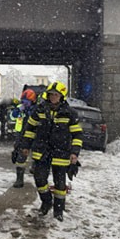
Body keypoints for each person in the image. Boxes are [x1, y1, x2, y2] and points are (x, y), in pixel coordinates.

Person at [20, 81, 82, 221]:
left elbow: (77, 135)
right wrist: (25, 146)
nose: (53, 97)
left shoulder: (70, 113)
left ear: (61, 96)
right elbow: (29, 129)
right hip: (42, 152)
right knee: (40, 179)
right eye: (51, 94)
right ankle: (46, 202)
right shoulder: (39, 110)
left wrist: (74, 153)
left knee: (60, 185)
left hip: (61, 153)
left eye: (56, 95)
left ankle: (58, 210)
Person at [11, 89, 37, 188]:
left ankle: (35, 168)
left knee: (36, 154)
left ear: (32, 101)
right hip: (21, 135)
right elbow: (12, 116)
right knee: (20, 157)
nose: (24, 103)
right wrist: (19, 110)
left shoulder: (37, 109)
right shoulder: (20, 108)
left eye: (26, 101)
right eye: (23, 100)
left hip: (34, 135)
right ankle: (19, 179)